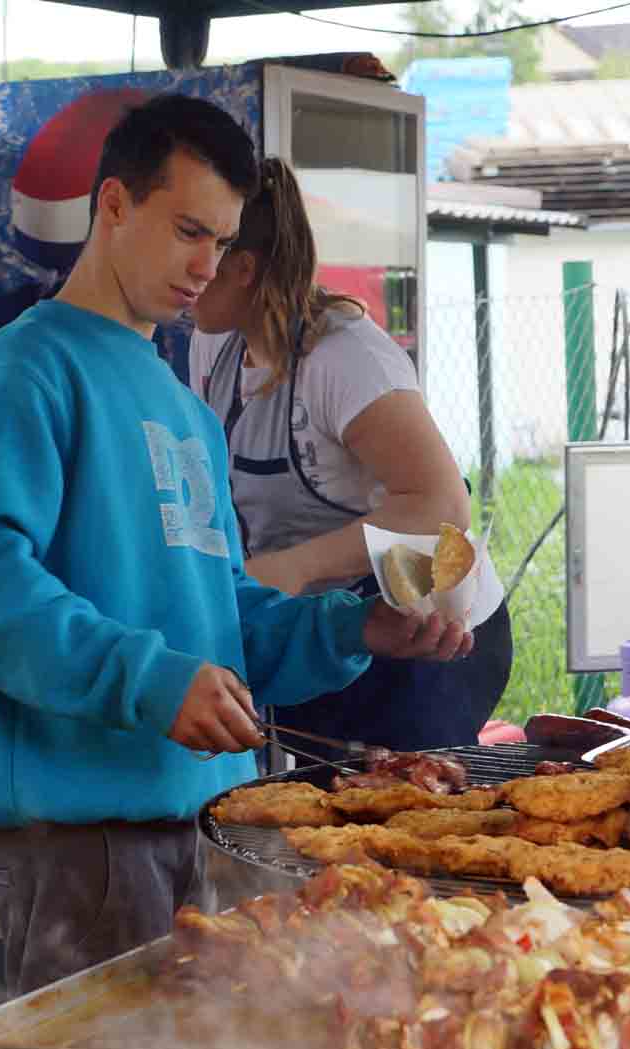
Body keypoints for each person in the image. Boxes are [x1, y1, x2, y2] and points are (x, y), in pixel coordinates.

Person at [0, 95, 471, 994]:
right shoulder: (20, 372)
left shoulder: (183, 409)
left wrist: (350, 628)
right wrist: (149, 679)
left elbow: (219, 612)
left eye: (222, 241)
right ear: (113, 204)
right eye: (187, 231)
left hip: (203, 815)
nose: (205, 266)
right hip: (78, 827)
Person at [187, 158, 512, 751]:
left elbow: (441, 505)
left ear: (243, 268)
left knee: (405, 796)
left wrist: (294, 567)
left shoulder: (346, 357)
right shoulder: (214, 346)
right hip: (320, 631)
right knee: (324, 796)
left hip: (423, 630)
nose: (187, 269)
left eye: (200, 247)